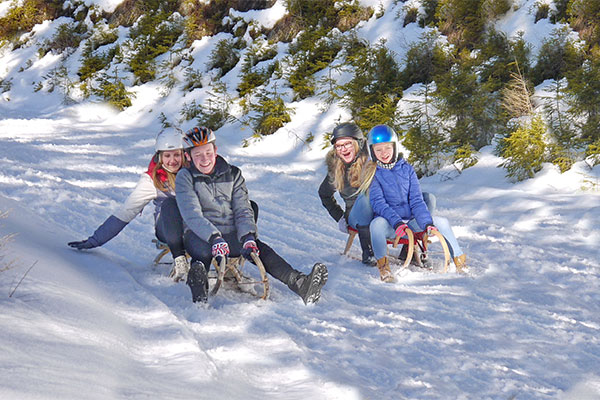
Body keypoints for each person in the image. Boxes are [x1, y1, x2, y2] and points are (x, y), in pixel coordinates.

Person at [175, 126, 328, 304]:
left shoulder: (233, 174)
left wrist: (248, 236)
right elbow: (191, 214)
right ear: (188, 156)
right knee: (202, 251)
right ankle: (199, 285)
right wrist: (214, 237)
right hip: (200, 234)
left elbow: (243, 208)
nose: (204, 159)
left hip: (231, 233)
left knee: (259, 249)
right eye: (198, 154)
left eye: (208, 152)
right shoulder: (185, 177)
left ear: (215, 151)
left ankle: (300, 283)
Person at [68, 128, 191, 282]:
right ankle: (180, 259)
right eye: (167, 155)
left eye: (176, 155)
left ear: (184, 154)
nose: (172, 160)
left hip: (193, 224)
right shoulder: (152, 180)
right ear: (159, 156)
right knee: (169, 204)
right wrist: (94, 241)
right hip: (167, 227)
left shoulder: (193, 170)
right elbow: (126, 211)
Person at [318, 122, 436, 266]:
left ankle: (409, 247)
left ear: (358, 143)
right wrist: (339, 217)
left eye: (347, 144)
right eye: (339, 146)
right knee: (367, 195)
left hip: (385, 211)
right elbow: (324, 194)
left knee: (427, 198)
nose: (343, 149)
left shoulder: (373, 157)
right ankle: (369, 251)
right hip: (359, 216)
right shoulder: (336, 168)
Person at [362, 124, 467, 282]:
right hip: (391, 224)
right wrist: (397, 223)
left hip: (411, 221)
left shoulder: (407, 169)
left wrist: (426, 223)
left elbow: (416, 200)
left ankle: (459, 261)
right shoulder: (373, 173)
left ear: (395, 147)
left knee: (442, 222)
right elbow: (379, 204)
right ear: (372, 151)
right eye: (379, 150)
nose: (384, 153)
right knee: (375, 225)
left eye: (387, 148)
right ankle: (384, 267)